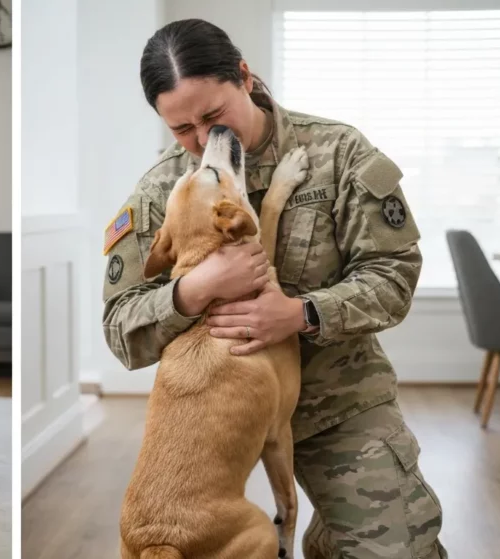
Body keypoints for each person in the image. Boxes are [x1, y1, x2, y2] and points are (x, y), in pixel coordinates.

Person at [102, 19, 446, 559]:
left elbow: (393, 277)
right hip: (224, 425)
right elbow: (120, 329)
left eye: (213, 116)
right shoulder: (162, 190)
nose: (199, 141)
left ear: (245, 76)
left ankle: (335, 530)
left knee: (401, 551)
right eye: (180, 128)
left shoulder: (339, 152)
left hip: (339, 404)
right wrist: (193, 289)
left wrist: (302, 313)